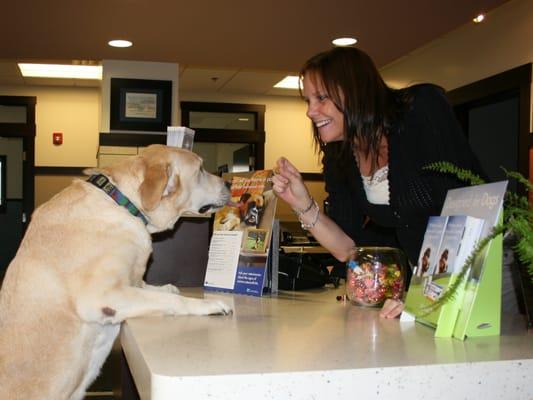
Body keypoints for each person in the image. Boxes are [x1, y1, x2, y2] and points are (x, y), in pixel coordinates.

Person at [272, 46, 484, 319]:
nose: (311, 112)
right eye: (308, 101)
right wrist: (302, 203)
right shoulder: (340, 156)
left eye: (321, 98)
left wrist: (423, 295)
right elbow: (348, 249)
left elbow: (463, 206)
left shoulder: (420, 107)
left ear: (355, 90)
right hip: (433, 287)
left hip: (480, 269)